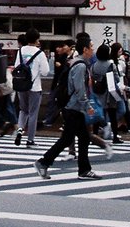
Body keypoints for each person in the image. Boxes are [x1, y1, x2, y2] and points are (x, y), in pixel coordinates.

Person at [34, 32, 100, 180]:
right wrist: (87, 106)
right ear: (85, 50)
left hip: (72, 108)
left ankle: (45, 163)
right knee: (76, 138)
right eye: (91, 47)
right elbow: (79, 89)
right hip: (73, 108)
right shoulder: (80, 66)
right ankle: (81, 170)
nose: (92, 50)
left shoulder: (76, 62)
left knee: (74, 138)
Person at [13, 29, 49, 147]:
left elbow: (16, 66)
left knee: (23, 110)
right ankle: (30, 140)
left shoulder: (20, 50)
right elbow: (45, 72)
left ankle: (19, 130)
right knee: (33, 113)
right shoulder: (40, 53)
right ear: (37, 39)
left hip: (21, 85)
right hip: (34, 86)